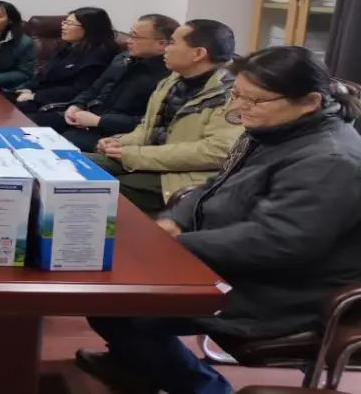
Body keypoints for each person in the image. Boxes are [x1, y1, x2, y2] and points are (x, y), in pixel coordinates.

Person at [77, 46, 361, 394]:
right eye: (236, 95)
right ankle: (136, 367)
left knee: (128, 308)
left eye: (254, 100)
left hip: (286, 290)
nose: (239, 108)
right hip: (236, 261)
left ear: (309, 102)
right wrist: (175, 220)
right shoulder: (274, 130)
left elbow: (279, 242)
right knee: (111, 295)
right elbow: (214, 184)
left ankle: (205, 388)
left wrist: (177, 245)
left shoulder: (330, 159)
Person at [88, 19, 243, 214]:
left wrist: (137, 155)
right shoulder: (174, 79)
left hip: (182, 176)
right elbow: (148, 127)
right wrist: (121, 142)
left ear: (198, 53)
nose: (166, 49)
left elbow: (217, 151)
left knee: (97, 191)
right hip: (148, 160)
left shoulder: (232, 94)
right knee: (74, 166)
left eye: (172, 43)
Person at [29, 14, 177, 151]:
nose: (128, 40)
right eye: (130, 34)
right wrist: (76, 105)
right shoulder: (123, 59)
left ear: (161, 44)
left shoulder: (167, 77)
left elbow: (148, 123)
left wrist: (99, 121)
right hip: (87, 118)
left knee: (59, 145)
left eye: (135, 36)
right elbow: (94, 89)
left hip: (113, 133)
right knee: (31, 125)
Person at [13, 7, 119, 112]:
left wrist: (35, 96)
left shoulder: (100, 55)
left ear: (90, 28)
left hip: (61, 106)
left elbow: (79, 90)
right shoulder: (69, 45)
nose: (63, 26)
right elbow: (44, 73)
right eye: (65, 22)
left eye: (70, 23)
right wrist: (29, 88)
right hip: (40, 94)